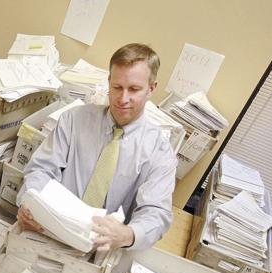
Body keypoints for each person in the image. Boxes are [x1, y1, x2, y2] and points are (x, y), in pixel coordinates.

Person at [16, 43, 177, 251]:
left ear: (151, 89)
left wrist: (128, 234)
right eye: (117, 87)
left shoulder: (160, 152)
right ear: (109, 82)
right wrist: (29, 203)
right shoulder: (74, 119)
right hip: (47, 231)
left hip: (101, 248)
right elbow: (41, 169)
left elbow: (156, 212)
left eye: (134, 89)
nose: (123, 99)